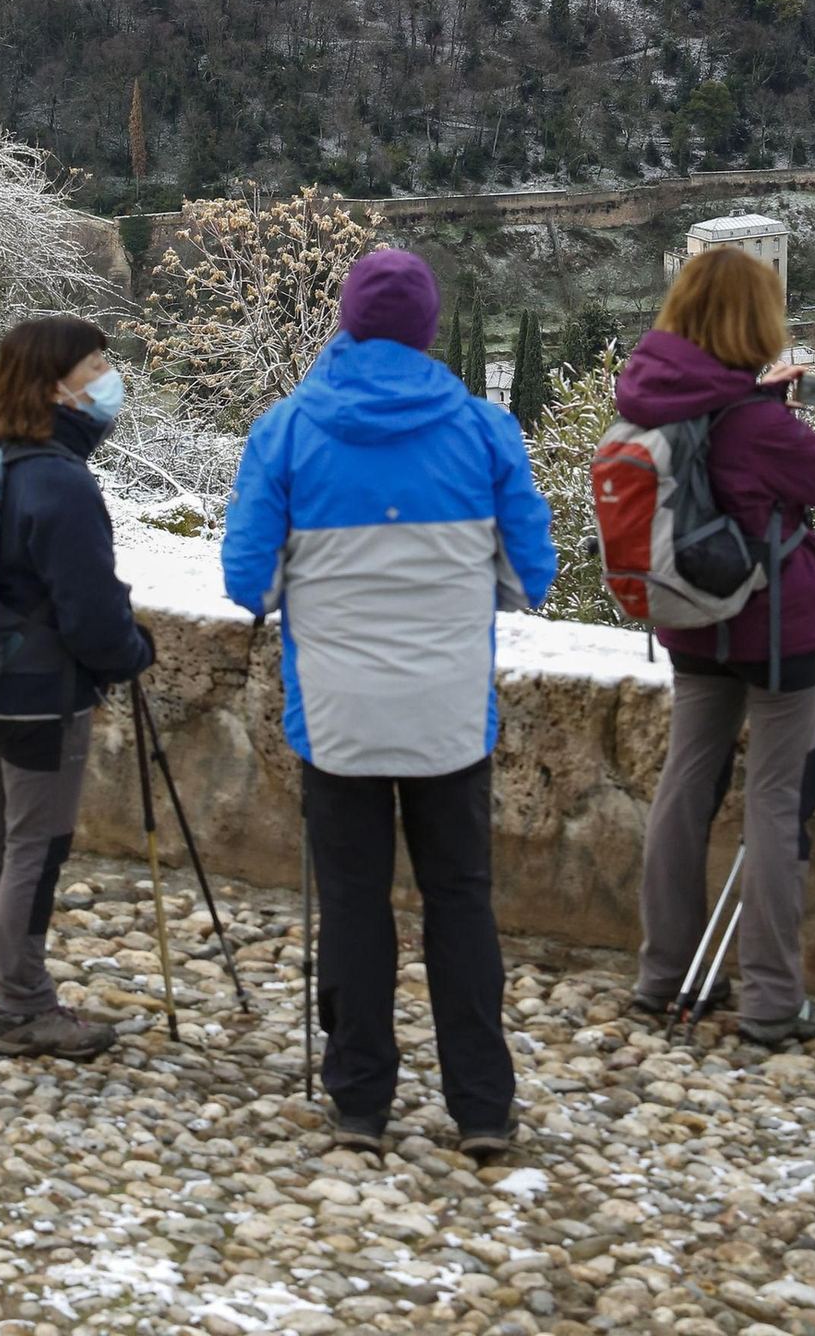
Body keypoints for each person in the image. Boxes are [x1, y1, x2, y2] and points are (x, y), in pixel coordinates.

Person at [223, 249, 555, 1159]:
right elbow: (532, 578)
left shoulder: (285, 433)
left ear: (347, 322)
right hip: (451, 719)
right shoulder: (487, 432)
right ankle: (482, 1107)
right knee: (461, 903)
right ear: (429, 329)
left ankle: (360, 1102)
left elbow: (248, 585)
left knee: (355, 904)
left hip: (337, 720)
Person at [614, 247, 815, 1044]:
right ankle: (773, 1001)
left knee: (684, 786)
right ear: (755, 322)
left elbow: (719, 460)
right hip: (777, 636)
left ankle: (660, 973)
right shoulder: (758, 424)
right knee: (776, 802)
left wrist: (762, 400)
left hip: (689, 619)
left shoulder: (651, 400)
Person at [0, 314, 152, 1059]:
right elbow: (93, 616)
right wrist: (130, 653)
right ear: (56, 388)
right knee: (35, 844)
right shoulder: (60, 483)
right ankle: (24, 1007)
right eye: (96, 365)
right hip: (40, 695)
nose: (109, 376)